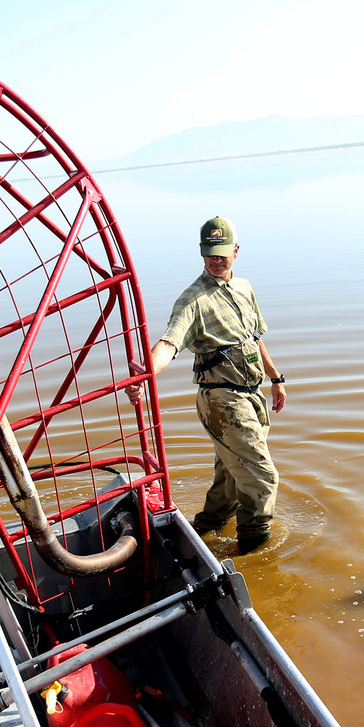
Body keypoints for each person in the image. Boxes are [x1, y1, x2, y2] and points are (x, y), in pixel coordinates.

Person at [128, 216, 287, 553]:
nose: (216, 260)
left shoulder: (244, 288)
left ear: (236, 251)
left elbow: (255, 338)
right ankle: (254, 552)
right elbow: (169, 344)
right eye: (210, 254)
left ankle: (201, 535)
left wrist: (276, 379)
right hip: (222, 402)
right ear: (202, 254)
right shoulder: (192, 301)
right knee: (261, 478)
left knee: (230, 479)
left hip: (251, 396)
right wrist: (144, 374)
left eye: (222, 253)